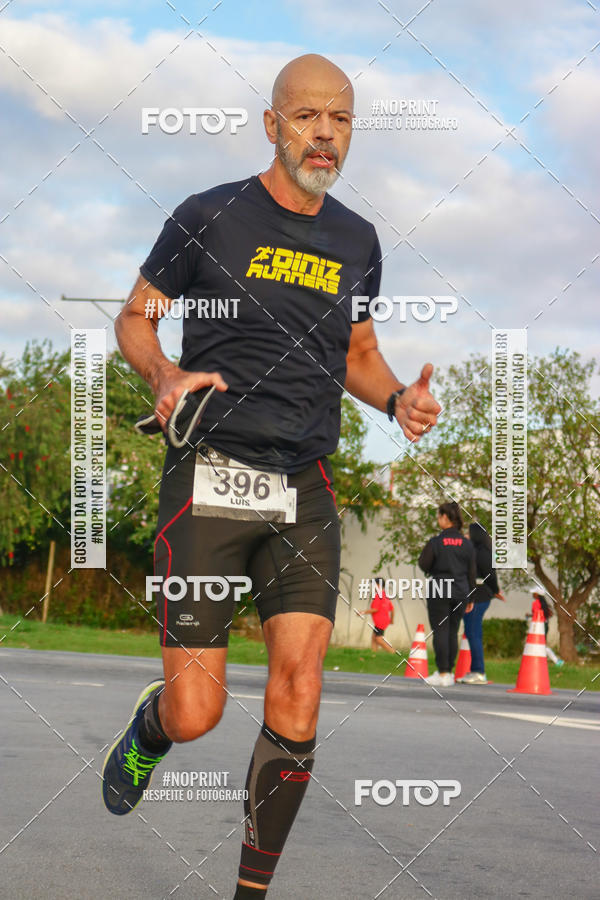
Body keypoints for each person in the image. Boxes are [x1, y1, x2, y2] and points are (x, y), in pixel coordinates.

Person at [102, 53, 441, 898]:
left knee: (299, 692)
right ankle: (151, 727)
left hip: (306, 485)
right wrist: (163, 375)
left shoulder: (358, 240)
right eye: (308, 117)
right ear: (273, 125)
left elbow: (358, 355)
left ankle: (251, 891)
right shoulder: (208, 216)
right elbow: (136, 318)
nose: (325, 134)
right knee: (198, 712)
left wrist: (395, 397)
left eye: (342, 120)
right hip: (209, 478)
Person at [418, 502, 475, 687]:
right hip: (461, 591)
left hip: (440, 589)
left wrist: (436, 566)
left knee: (440, 630)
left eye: (439, 516)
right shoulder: (467, 544)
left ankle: (442, 673)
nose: (438, 519)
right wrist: (471, 597)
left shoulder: (436, 542)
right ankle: (448, 672)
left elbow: (423, 564)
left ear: (444, 518)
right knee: (452, 631)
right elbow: (472, 572)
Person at [456, 522, 505, 685]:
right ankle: (476, 670)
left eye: (469, 533)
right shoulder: (473, 551)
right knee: (471, 632)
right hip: (472, 596)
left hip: (480, 597)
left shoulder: (483, 552)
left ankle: (479, 671)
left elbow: (490, 575)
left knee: (473, 632)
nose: (466, 536)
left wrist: (495, 590)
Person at [530, 588, 564, 666]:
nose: (532, 594)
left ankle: (556, 661)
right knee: (541, 644)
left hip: (537, 626)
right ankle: (542, 661)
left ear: (537, 594)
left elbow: (536, 614)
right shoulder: (545, 604)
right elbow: (549, 614)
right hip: (545, 625)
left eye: (534, 593)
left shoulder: (535, 603)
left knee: (540, 645)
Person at [360, 578, 395, 653]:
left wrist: (362, 612)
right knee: (374, 637)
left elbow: (375, 609)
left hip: (380, 621)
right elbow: (392, 609)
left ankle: (393, 652)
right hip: (383, 620)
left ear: (378, 585)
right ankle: (373, 654)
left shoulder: (378, 596)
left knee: (379, 639)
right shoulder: (385, 595)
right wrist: (392, 620)